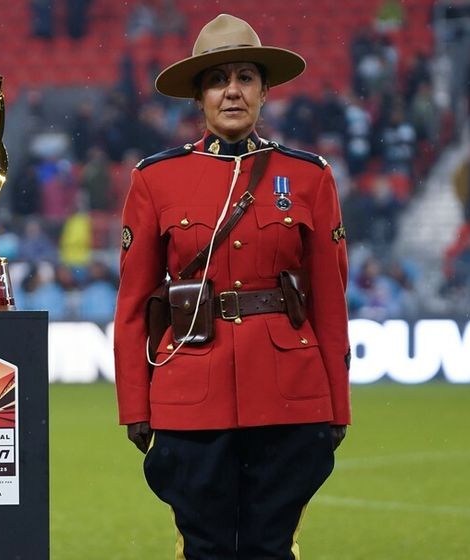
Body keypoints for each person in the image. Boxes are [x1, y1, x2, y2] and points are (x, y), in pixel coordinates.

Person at [113, 14, 351, 559]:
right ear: (199, 96)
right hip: (190, 395)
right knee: (206, 550)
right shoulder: (155, 179)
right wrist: (135, 405)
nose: (233, 91)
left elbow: (329, 300)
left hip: (289, 392)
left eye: (246, 77)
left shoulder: (310, 177)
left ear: (265, 91)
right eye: (219, 80)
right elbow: (133, 304)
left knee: (271, 549)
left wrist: (338, 406)